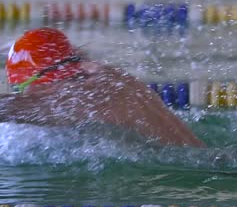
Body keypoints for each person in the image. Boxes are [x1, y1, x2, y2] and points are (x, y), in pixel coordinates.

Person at [0, 27, 205, 148]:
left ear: (40, 83)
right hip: (203, 156)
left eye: (20, 88)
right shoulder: (105, 75)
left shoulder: (78, 100)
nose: (22, 95)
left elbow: (8, 107)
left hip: (206, 171)